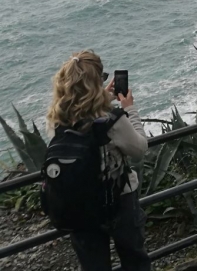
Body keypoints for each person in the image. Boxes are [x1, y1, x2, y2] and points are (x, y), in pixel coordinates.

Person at [47, 51, 149, 271]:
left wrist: (102, 97)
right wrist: (129, 109)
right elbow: (139, 148)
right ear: (96, 82)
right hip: (118, 199)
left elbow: (83, 116)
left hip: (79, 204)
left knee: (94, 267)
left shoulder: (58, 120)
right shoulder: (111, 119)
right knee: (134, 261)